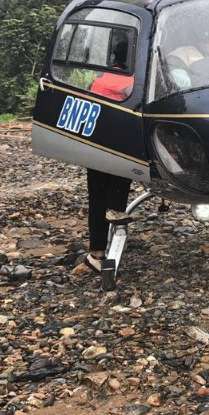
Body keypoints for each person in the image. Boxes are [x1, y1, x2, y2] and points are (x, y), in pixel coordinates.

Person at [84, 40, 134, 273]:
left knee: (96, 197)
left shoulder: (104, 75)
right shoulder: (126, 78)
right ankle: (115, 208)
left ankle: (96, 253)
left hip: (93, 140)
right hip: (112, 142)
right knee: (124, 166)